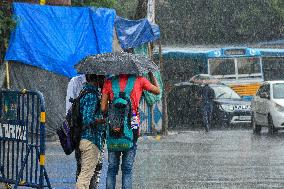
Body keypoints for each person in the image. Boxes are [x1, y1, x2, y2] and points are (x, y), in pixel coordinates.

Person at [101, 72, 160, 189]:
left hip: (114, 128)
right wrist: (151, 74)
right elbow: (157, 91)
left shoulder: (109, 82)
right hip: (132, 128)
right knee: (127, 170)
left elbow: (103, 108)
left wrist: (114, 109)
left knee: (112, 169)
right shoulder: (140, 80)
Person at [76, 74, 106, 189]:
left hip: (85, 139)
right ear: (97, 79)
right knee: (85, 177)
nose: (105, 81)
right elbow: (87, 119)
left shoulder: (84, 93)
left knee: (86, 174)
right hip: (90, 140)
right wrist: (102, 120)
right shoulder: (91, 96)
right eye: (103, 78)